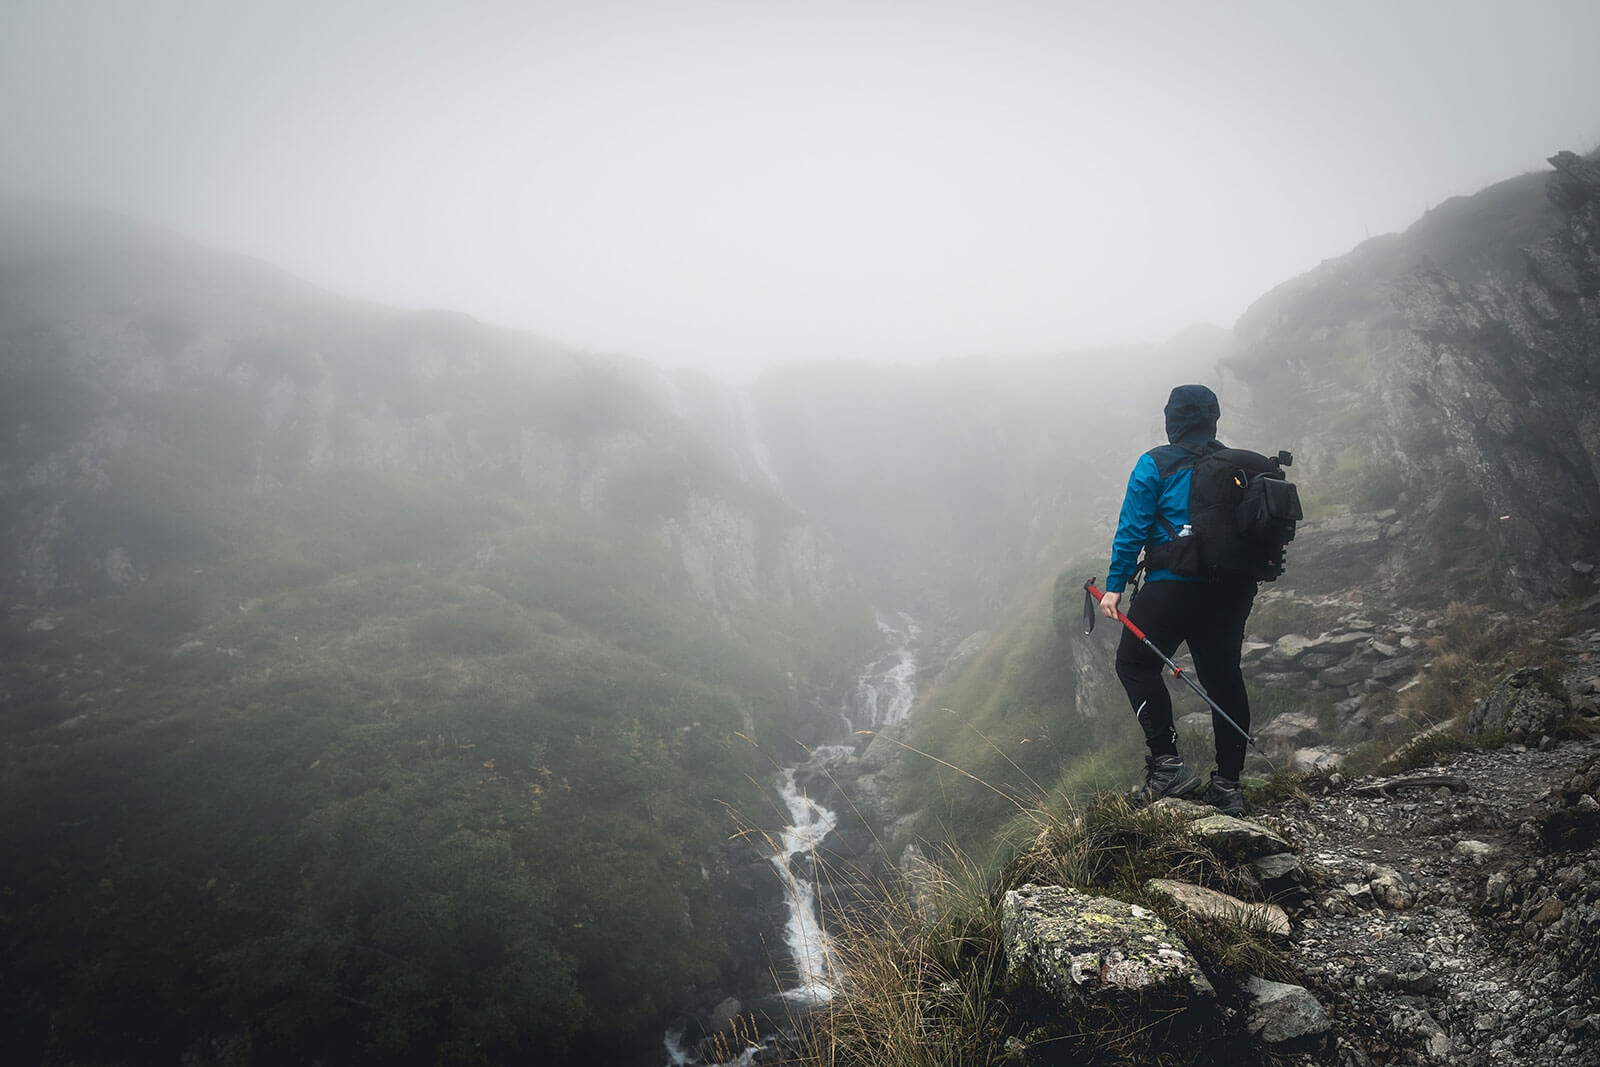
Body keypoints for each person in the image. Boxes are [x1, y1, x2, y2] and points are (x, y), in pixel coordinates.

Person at [1100, 383, 1254, 815]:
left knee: (1135, 663)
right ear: (1213, 418)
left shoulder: (1155, 464)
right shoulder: (1239, 464)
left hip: (1174, 584)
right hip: (1232, 588)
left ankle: (1167, 766)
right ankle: (1228, 786)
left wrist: (1115, 585)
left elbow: (1133, 527)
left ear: (1172, 419)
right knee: (1223, 677)